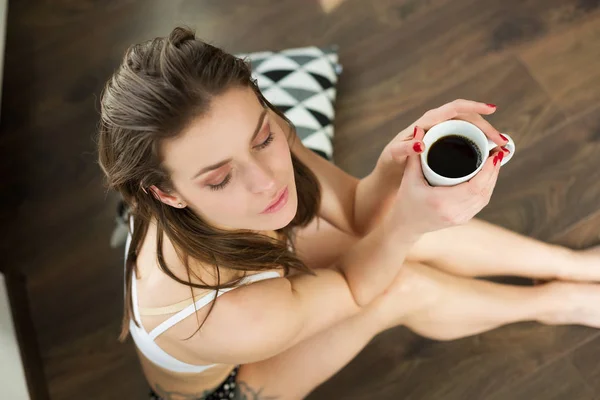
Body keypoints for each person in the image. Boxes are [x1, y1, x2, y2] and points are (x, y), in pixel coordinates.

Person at [96, 26, 600, 400]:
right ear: (166, 194)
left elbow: (359, 214)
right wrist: (410, 222)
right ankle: (554, 303)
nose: (268, 179)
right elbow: (362, 288)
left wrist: (395, 160)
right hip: (229, 384)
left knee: (397, 229)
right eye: (219, 177)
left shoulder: (256, 130)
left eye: (263, 139)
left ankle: (571, 264)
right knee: (402, 281)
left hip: (254, 263)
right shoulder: (232, 316)